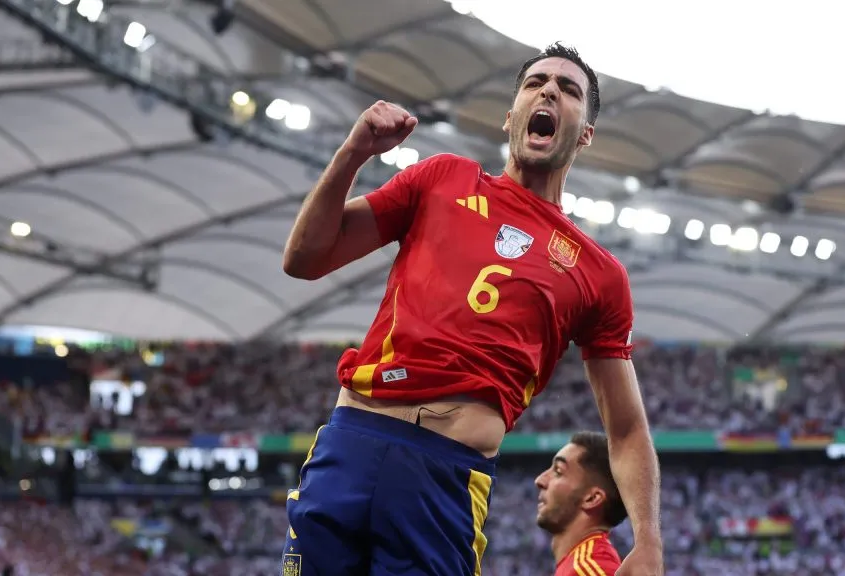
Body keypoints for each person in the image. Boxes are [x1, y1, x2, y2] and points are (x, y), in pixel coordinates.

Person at [281, 42, 663, 576]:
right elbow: (304, 259)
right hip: (349, 443)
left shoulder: (598, 273)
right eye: (535, 83)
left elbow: (625, 430)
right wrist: (352, 153)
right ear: (510, 117)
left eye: (568, 90)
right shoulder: (441, 178)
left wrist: (648, 540)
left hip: (443, 476)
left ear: (586, 134)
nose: (548, 92)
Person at [535, 432, 626, 576]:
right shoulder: (579, 565)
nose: (540, 480)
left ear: (592, 499)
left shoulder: (588, 569)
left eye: (558, 471)